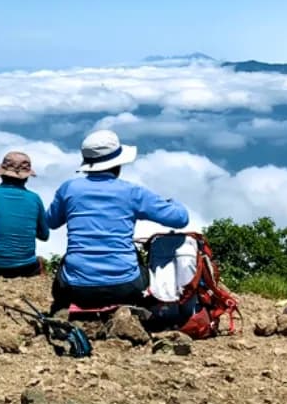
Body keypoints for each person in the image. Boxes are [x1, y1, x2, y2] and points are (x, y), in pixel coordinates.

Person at [46, 130, 189, 313]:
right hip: (125, 287)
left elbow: (50, 221)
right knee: (141, 265)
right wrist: (172, 201)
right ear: (118, 164)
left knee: (67, 263)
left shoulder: (69, 189)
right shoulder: (132, 193)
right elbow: (180, 219)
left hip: (76, 289)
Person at [0, 151, 48, 277]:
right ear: (26, 176)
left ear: (2, 174)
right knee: (40, 261)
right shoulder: (34, 198)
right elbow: (44, 235)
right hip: (26, 267)